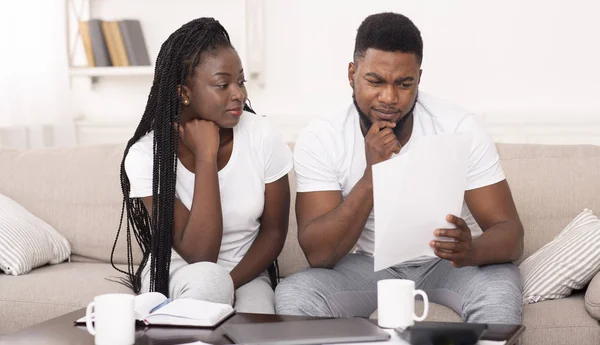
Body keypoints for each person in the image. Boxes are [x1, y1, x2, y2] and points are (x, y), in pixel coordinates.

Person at [275, 12, 524, 324]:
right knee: (296, 294)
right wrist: (372, 177)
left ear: (418, 78)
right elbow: (319, 254)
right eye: (375, 81)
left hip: (450, 265)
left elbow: (512, 236)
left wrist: (470, 249)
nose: (389, 98)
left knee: (499, 292)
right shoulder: (322, 137)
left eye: (404, 84)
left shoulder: (461, 127)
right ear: (352, 74)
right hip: (371, 266)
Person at [110, 17, 293, 314]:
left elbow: (274, 233)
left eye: (241, 81)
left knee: (256, 322)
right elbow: (201, 254)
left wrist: (230, 285)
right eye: (223, 84)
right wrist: (206, 156)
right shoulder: (146, 156)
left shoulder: (261, 134)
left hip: (245, 276)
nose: (239, 94)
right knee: (209, 281)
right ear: (184, 92)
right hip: (175, 274)